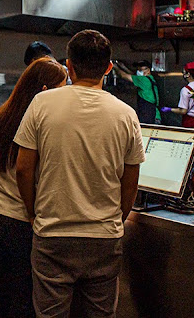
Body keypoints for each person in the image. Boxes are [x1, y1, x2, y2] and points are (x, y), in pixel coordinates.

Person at [15, 30, 145, 317]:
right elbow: (131, 181)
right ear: (109, 68)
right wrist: (117, 219)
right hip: (103, 238)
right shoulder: (126, 115)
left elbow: (23, 169)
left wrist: (32, 213)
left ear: (69, 65)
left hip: (53, 234)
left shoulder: (42, 104)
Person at [0, 58, 67, 318]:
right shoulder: (39, 125)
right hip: (19, 223)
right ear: (44, 91)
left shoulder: (3, 115)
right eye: (61, 89)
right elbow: (27, 172)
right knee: (23, 299)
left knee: (1, 292)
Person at [112, 59, 162, 124]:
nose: (139, 72)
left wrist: (114, 67)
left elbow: (123, 75)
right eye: (138, 70)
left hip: (149, 117)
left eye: (141, 70)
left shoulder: (143, 80)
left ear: (148, 70)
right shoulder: (150, 79)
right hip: (155, 116)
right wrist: (123, 67)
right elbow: (133, 75)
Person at [162, 61, 194, 129]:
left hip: (190, 123)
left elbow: (183, 111)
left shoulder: (186, 90)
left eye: (183, 72)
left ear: (188, 74)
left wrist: (169, 109)